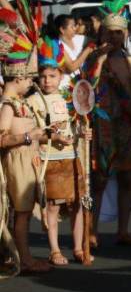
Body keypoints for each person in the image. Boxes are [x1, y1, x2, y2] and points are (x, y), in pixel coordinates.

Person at [29, 37, 92, 265]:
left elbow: (76, 125)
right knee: (53, 207)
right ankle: (54, 249)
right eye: (43, 76)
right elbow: (34, 133)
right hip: (50, 160)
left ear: (61, 77)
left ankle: (78, 247)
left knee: (77, 204)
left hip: (72, 158)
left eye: (52, 76)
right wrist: (49, 135)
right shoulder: (34, 101)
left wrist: (83, 135)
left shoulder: (69, 98)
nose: (47, 81)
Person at [90, 0, 131, 246]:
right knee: (99, 180)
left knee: (125, 177)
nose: (114, 37)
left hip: (127, 125)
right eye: (110, 33)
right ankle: (91, 231)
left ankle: (123, 230)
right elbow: (85, 87)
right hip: (103, 126)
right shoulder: (94, 60)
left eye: (119, 33)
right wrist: (100, 58)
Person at [0, 3, 49, 273]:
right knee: (20, 214)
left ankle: (17, 255)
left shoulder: (19, 100)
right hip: (17, 162)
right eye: (29, 76)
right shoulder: (8, 103)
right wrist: (30, 137)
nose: (32, 81)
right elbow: (2, 139)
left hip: (27, 160)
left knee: (24, 213)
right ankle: (24, 259)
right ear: (18, 77)